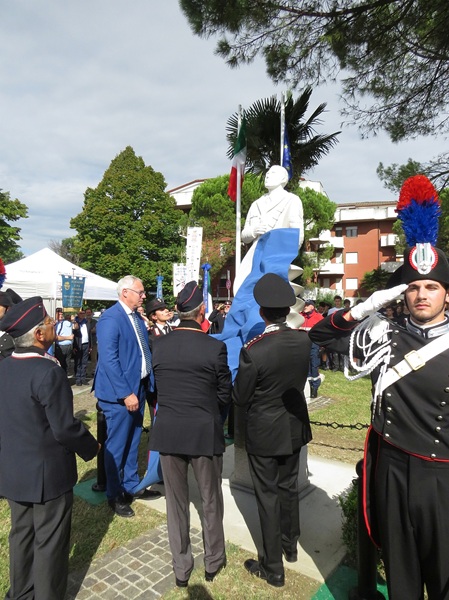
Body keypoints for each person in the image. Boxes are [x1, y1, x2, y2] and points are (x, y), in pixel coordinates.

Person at [309, 175, 449, 599]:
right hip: (390, 468)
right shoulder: (383, 333)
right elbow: (318, 336)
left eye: (432, 287)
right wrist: (362, 309)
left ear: (446, 294)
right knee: (402, 575)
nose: (421, 295)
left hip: (441, 476)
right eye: (413, 287)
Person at [0, 296, 99, 600]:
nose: (54, 323)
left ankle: (21, 593)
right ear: (39, 334)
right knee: (50, 542)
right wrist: (91, 447)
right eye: (47, 321)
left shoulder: (5, 366)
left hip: (13, 469)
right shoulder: (48, 371)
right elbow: (64, 428)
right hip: (47, 475)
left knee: (21, 535)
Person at [150, 281, 232, 588]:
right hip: (203, 430)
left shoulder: (159, 345)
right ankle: (213, 560)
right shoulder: (214, 347)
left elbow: (157, 388)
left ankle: (181, 568)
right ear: (201, 311)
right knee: (210, 499)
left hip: (169, 429)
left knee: (176, 504)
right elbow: (224, 394)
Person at [232, 273, 312, 588]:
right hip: (293, 425)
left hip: (265, 431)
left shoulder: (255, 349)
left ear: (262, 312)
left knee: (267, 496)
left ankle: (273, 567)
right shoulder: (303, 340)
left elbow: (241, 397)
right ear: (287, 309)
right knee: (288, 488)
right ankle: (290, 545)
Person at [93, 275, 160, 518]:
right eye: (140, 292)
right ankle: (114, 494)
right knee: (117, 445)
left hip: (138, 387)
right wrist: (125, 393)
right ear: (125, 293)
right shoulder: (111, 319)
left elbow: (141, 351)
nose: (143, 296)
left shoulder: (136, 318)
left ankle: (131, 485)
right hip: (120, 394)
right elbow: (109, 359)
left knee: (133, 440)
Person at [234, 165, 304, 294]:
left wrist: (285, 258)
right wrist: (254, 230)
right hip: (255, 257)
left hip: (276, 256)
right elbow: (244, 236)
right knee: (242, 291)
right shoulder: (256, 204)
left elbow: (297, 235)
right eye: (267, 173)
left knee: (271, 295)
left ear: (283, 178)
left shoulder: (291, 200)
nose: (267, 175)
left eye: (273, 173)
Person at [300, 299, 324, 398]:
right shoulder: (300, 316)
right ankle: (307, 386)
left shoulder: (319, 317)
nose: (304, 307)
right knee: (305, 365)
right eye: (304, 305)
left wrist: (322, 345)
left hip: (314, 344)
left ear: (312, 307)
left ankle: (315, 387)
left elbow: (323, 332)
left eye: (307, 305)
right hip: (303, 344)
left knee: (314, 365)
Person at [73, 308, 91, 385]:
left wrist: (90, 346)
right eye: (81, 313)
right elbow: (73, 335)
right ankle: (78, 379)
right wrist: (74, 346)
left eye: (83, 313)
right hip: (78, 345)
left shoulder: (86, 322)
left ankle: (83, 378)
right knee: (78, 362)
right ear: (78, 314)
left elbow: (89, 334)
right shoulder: (76, 323)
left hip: (86, 344)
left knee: (84, 362)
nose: (82, 315)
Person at [85, 306, 98, 375]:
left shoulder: (95, 322)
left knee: (94, 358)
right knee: (85, 358)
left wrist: (91, 331)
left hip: (93, 342)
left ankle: (94, 370)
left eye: (89, 312)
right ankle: (84, 371)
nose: (88, 314)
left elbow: (97, 330)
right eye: (87, 312)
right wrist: (91, 330)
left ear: (92, 313)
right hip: (85, 342)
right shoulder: (83, 322)